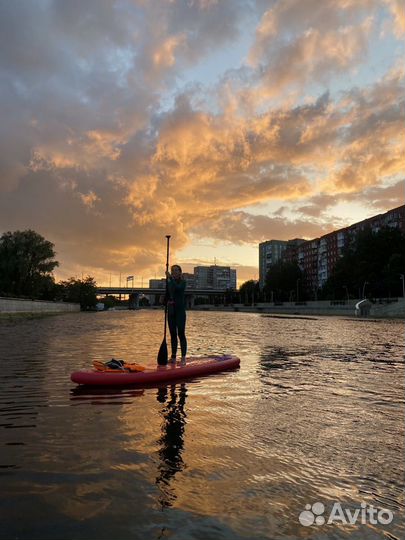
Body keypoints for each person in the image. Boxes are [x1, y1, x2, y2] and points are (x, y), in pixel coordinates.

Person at [166, 264, 187, 364]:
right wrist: (165, 301)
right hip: (171, 311)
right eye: (172, 270)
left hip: (180, 311)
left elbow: (178, 288)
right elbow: (168, 294)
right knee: (173, 334)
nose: (173, 272)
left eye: (175, 270)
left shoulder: (183, 282)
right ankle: (173, 357)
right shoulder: (169, 282)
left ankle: (183, 358)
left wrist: (170, 278)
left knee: (181, 333)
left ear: (180, 272)